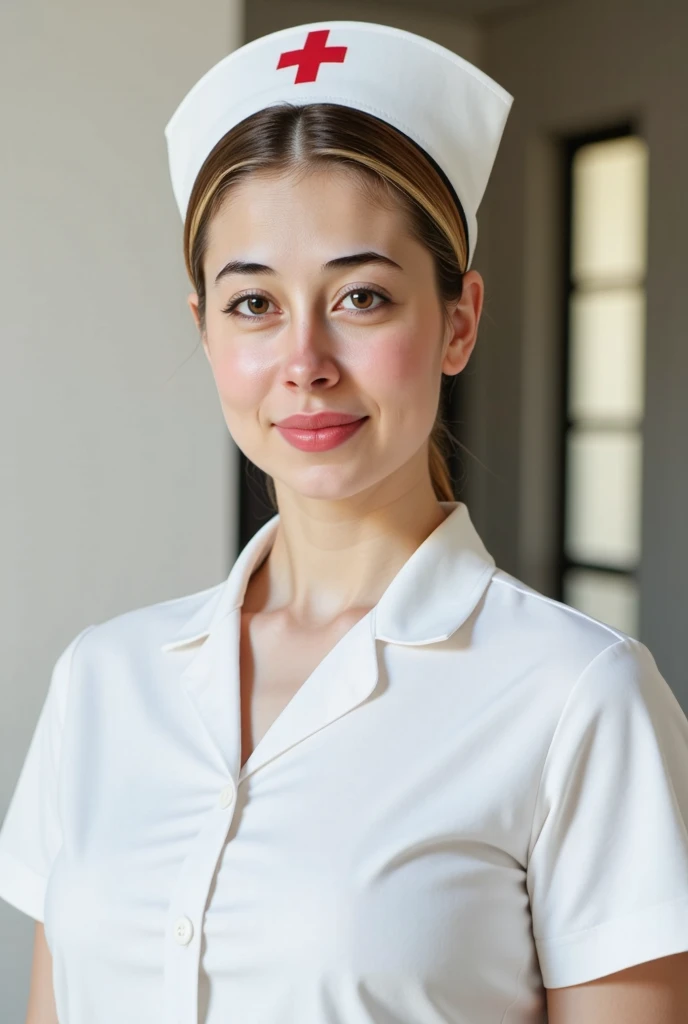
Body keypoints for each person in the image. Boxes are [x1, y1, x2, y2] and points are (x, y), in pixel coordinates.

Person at [1, 19, 687, 1024]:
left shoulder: (577, 698)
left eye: (361, 296)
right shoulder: (104, 680)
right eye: (253, 305)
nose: (305, 359)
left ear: (457, 322)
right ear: (202, 328)